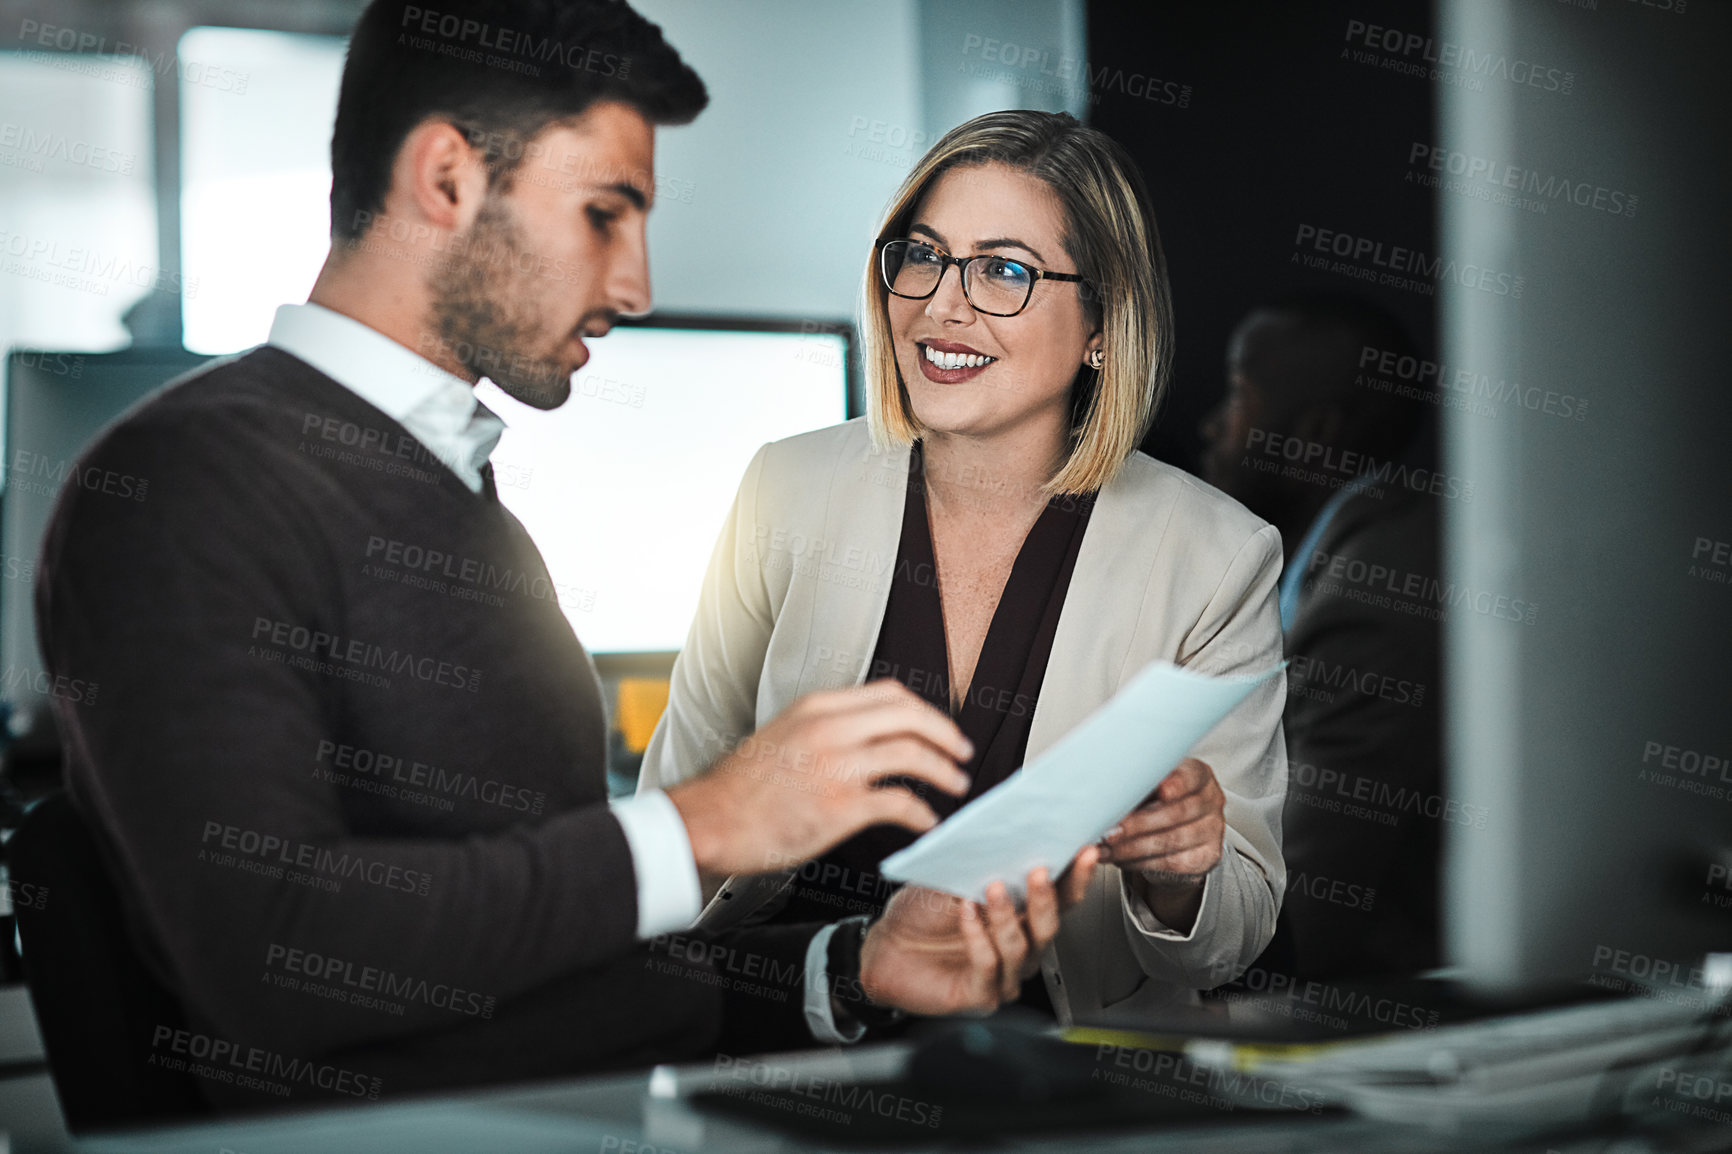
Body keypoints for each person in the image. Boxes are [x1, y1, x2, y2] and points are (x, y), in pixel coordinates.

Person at [33, 0, 1096, 1114]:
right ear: (445, 179)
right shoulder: (184, 483)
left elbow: (538, 958)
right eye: (603, 213)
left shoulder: (455, 491)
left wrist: (846, 970)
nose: (634, 284)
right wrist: (701, 825)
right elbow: (274, 949)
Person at [639, 110, 1289, 1028]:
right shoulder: (785, 488)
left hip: (1054, 1070)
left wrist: (1180, 877)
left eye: (1004, 271)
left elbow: (1236, 932)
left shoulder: (1217, 557)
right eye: (923, 255)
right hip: (794, 1031)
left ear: (1104, 324)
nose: (942, 304)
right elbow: (676, 826)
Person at [1199, 293, 1445, 981]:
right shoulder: (1370, 544)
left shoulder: (1371, 593)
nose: (1213, 424)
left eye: (1240, 394)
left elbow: (1301, 907)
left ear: (1313, 432)